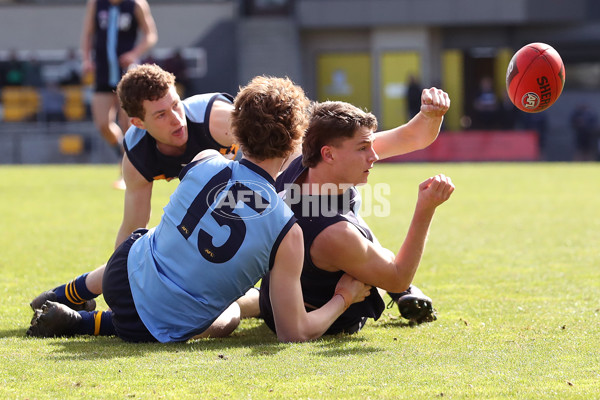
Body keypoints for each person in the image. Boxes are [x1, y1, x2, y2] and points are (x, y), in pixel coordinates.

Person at [27, 76, 371, 343]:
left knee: (152, 241)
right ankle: (88, 322)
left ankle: (66, 293)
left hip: (121, 272)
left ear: (235, 129)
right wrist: (344, 297)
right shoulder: (287, 229)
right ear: (296, 141)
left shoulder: (204, 159)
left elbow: (223, 204)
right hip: (156, 321)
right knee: (229, 316)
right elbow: (293, 332)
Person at [29, 63, 245, 317]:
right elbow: (133, 230)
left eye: (176, 104)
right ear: (138, 123)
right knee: (165, 248)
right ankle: (69, 296)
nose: (177, 119)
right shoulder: (137, 156)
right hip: (214, 205)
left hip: (249, 195)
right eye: (161, 115)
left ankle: (70, 293)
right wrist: (117, 288)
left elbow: (276, 157)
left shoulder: (221, 121)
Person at [259, 88, 454, 336]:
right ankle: (397, 291)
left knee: (359, 232)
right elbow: (398, 276)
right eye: (363, 148)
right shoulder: (333, 233)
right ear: (328, 154)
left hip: (273, 300)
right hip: (320, 318)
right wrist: (425, 208)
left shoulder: (305, 160)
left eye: (371, 145)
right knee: (380, 257)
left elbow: (411, 137)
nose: (373, 156)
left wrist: (431, 114)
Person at [81, 0, 158, 188]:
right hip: (103, 72)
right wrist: (86, 59)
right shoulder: (96, 4)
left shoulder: (136, 5)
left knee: (127, 124)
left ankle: (127, 173)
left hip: (126, 73)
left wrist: (134, 53)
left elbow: (150, 35)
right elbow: (88, 33)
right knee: (102, 123)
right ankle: (123, 155)